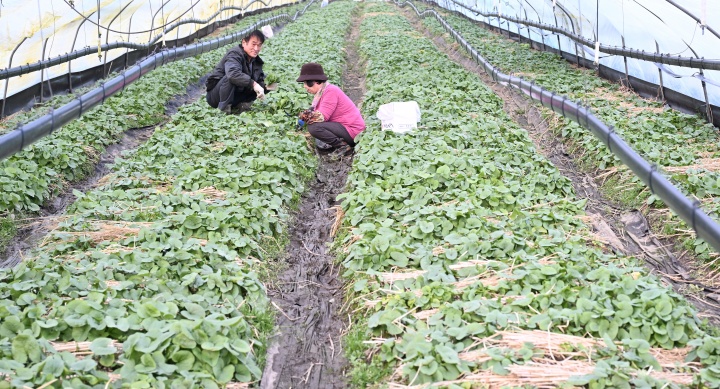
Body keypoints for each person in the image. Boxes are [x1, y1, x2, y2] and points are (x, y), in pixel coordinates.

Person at [297, 62, 365, 158]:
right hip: (344, 127)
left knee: (314, 128)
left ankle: (343, 146)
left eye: (307, 83)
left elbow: (322, 117)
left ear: (317, 81)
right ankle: (341, 143)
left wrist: (304, 116)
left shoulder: (331, 91)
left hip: (353, 130)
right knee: (316, 133)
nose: (305, 86)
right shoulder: (320, 94)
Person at [206, 30, 269, 113]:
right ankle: (224, 109)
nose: (256, 48)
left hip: (235, 94)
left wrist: (267, 87)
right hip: (216, 96)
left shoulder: (255, 60)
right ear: (244, 43)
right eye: (253, 44)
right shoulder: (235, 54)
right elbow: (232, 74)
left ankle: (242, 104)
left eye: (259, 45)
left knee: (263, 83)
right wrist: (254, 84)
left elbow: (259, 79)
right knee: (232, 77)